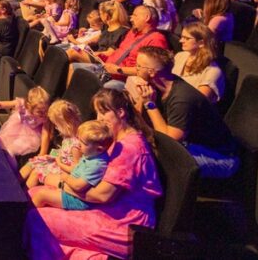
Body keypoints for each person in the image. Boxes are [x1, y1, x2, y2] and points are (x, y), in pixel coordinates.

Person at [24, 89, 162, 260]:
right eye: (97, 112)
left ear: (120, 113)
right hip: (107, 209)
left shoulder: (129, 148)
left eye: (103, 112)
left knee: (36, 218)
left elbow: (103, 196)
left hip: (124, 224)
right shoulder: (113, 139)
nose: (98, 119)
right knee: (33, 194)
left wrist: (60, 182)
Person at [132, 46, 238, 178]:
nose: (135, 69)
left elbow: (170, 141)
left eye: (138, 66)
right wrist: (142, 101)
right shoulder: (155, 87)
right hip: (191, 145)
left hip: (221, 157)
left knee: (154, 158)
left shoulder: (182, 99)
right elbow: (136, 121)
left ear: (152, 72)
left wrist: (149, 104)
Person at [29, 120, 113, 211]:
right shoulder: (92, 154)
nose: (78, 144)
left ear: (99, 149)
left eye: (83, 143)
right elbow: (76, 169)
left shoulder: (96, 165)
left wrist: (65, 178)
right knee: (43, 175)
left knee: (41, 195)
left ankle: (23, 215)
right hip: (71, 190)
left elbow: (78, 186)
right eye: (78, 139)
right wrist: (61, 165)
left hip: (78, 200)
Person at [0, 86, 51, 163]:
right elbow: (0, 104)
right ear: (29, 106)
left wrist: (43, 152)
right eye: (40, 111)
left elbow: (45, 134)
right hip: (16, 127)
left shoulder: (45, 117)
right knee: (1, 144)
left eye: (45, 110)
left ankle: (11, 167)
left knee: (11, 151)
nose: (44, 114)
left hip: (30, 135)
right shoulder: (21, 104)